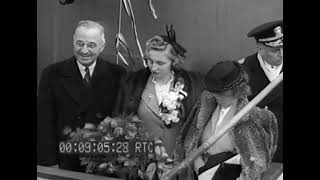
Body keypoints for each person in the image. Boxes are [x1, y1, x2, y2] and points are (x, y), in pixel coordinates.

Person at [37, 20, 126, 172]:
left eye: (91, 45)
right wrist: (49, 164)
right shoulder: (51, 74)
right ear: (73, 42)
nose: (84, 50)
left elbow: (122, 120)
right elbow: (44, 123)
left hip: (103, 163)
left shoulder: (118, 75)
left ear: (102, 46)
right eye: (79, 44)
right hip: (64, 161)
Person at [114, 25, 204, 160]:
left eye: (160, 63)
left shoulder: (193, 84)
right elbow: (119, 120)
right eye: (150, 61)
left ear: (173, 62)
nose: (154, 67)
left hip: (180, 164)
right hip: (143, 162)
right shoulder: (132, 82)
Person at [179, 61, 278, 180]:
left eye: (222, 93)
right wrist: (198, 166)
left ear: (237, 89)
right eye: (215, 93)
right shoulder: (206, 103)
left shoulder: (252, 117)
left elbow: (256, 165)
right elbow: (189, 140)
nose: (217, 97)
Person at [238, 19, 283, 164]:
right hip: (259, 148)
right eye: (275, 50)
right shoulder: (242, 71)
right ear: (259, 47)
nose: (281, 54)